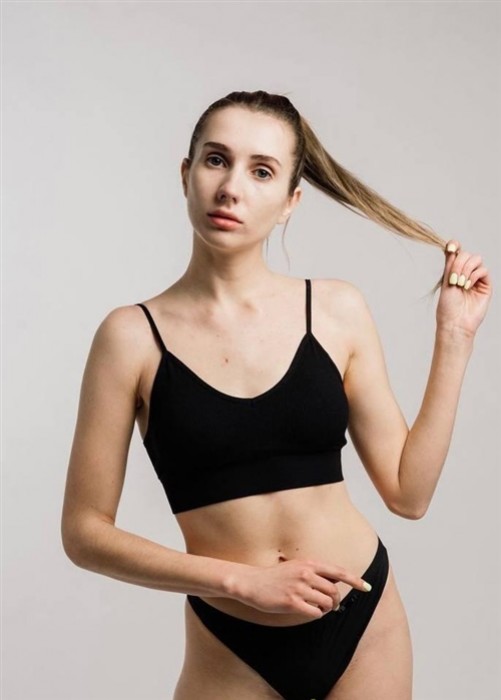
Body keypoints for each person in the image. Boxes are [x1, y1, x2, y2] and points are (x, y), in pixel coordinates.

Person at [61, 90, 492, 699]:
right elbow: (84, 533)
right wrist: (240, 582)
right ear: (186, 174)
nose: (231, 188)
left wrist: (455, 335)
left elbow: (409, 493)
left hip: (362, 623)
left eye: (261, 171)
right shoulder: (130, 338)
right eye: (216, 160)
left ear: (291, 201)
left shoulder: (336, 310)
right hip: (230, 643)